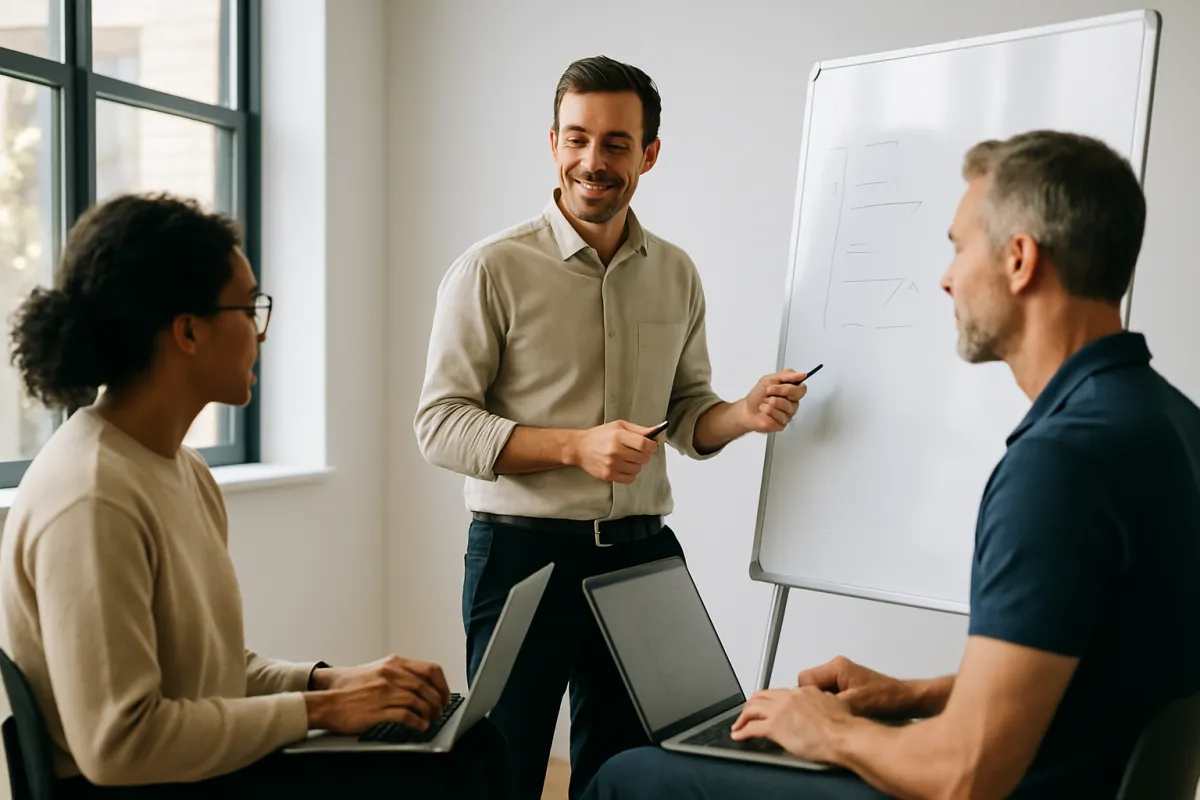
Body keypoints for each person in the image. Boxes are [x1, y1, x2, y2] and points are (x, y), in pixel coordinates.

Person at [582, 130, 1200, 800]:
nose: (945, 276)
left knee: (629, 777)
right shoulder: (1169, 421)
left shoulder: (1060, 466)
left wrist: (828, 730)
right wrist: (907, 695)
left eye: (959, 246)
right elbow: (1089, 674)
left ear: (1020, 259)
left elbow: (965, 775)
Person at [0, 193, 511, 798]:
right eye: (249, 309)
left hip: (195, 771)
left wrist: (334, 684)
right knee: (451, 772)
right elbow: (120, 744)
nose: (261, 333)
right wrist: (319, 712)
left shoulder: (181, 470)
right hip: (143, 785)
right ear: (188, 331)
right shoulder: (91, 497)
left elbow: (212, 674)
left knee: (470, 740)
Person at [413, 55, 810, 798]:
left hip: (641, 558)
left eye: (616, 144)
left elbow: (690, 416)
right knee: (505, 766)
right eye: (576, 139)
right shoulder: (489, 270)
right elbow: (439, 425)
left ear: (649, 154)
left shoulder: (677, 273)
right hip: (520, 558)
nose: (592, 161)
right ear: (554, 144)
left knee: (635, 773)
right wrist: (576, 446)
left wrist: (744, 415)